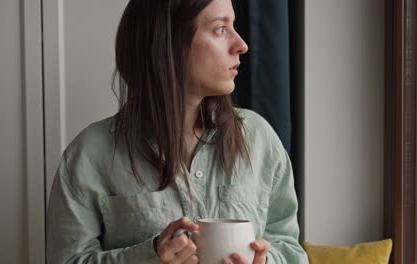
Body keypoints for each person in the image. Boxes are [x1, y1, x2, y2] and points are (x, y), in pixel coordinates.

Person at [46, 0, 309, 263]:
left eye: (234, 26)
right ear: (169, 43)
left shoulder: (259, 139)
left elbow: (290, 250)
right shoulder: (90, 155)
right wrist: (148, 258)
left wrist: (265, 261)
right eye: (220, 29)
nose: (241, 45)